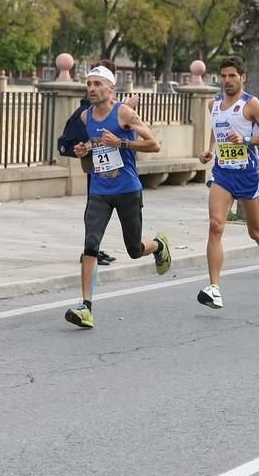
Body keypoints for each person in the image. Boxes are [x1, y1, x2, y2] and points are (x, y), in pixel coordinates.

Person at [65, 64, 172, 328]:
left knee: (134, 249)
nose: (92, 88)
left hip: (127, 190)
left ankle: (158, 245)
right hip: (100, 191)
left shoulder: (124, 112)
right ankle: (85, 307)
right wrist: (85, 148)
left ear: (111, 89)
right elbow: (97, 144)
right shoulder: (86, 117)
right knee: (90, 244)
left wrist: (122, 143)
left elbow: (154, 144)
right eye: (89, 84)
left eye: (97, 84)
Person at [196, 56, 259, 309]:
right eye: (223, 76)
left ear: (242, 77)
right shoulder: (213, 104)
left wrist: (245, 140)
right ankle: (214, 288)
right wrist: (211, 150)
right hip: (223, 173)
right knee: (215, 226)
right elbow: (217, 128)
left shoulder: (251, 104)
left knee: (255, 232)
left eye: (232, 76)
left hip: (248, 174)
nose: (227, 80)